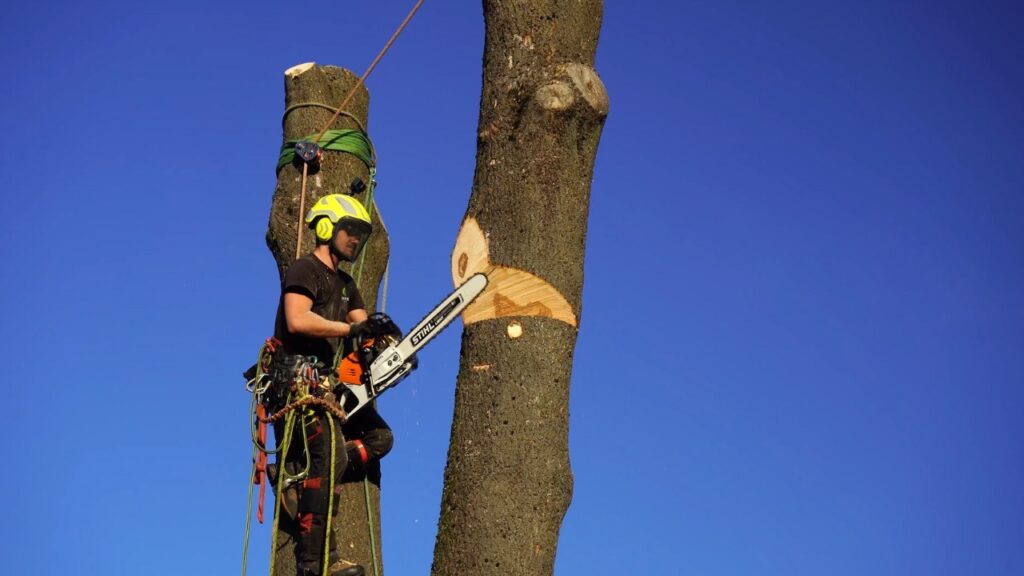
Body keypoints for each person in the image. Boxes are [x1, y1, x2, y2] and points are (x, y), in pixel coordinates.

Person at [269, 193, 376, 576]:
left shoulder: (347, 284)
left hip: (326, 389)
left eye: (361, 235)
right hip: (296, 382)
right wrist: (350, 328)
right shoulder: (304, 270)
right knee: (328, 457)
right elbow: (297, 319)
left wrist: (381, 343)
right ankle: (314, 567)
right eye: (350, 231)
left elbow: (365, 327)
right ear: (328, 227)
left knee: (374, 441)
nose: (355, 240)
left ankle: (298, 477)